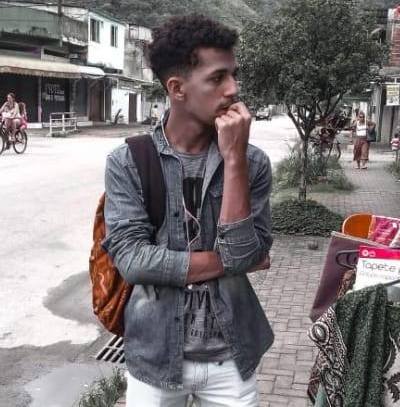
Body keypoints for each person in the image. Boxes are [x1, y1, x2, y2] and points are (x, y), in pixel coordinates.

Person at [103, 14, 274, 406]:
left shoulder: (253, 162)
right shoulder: (128, 162)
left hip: (233, 359)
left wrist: (234, 161)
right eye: (217, 78)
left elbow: (248, 253)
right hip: (155, 357)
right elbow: (132, 261)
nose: (233, 89)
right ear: (177, 88)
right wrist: (228, 261)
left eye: (233, 75)